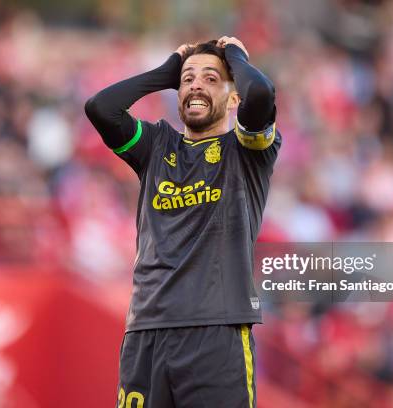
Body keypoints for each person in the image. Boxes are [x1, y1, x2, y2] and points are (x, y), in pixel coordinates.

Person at [85, 36, 280, 408]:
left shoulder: (248, 152)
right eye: (188, 78)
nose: (196, 85)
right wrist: (165, 72)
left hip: (216, 331)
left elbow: (261, 93)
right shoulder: (157, 146)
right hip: (145, 332)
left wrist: (235, 54)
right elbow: (101, 108)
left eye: (211, 78)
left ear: (233, 97)